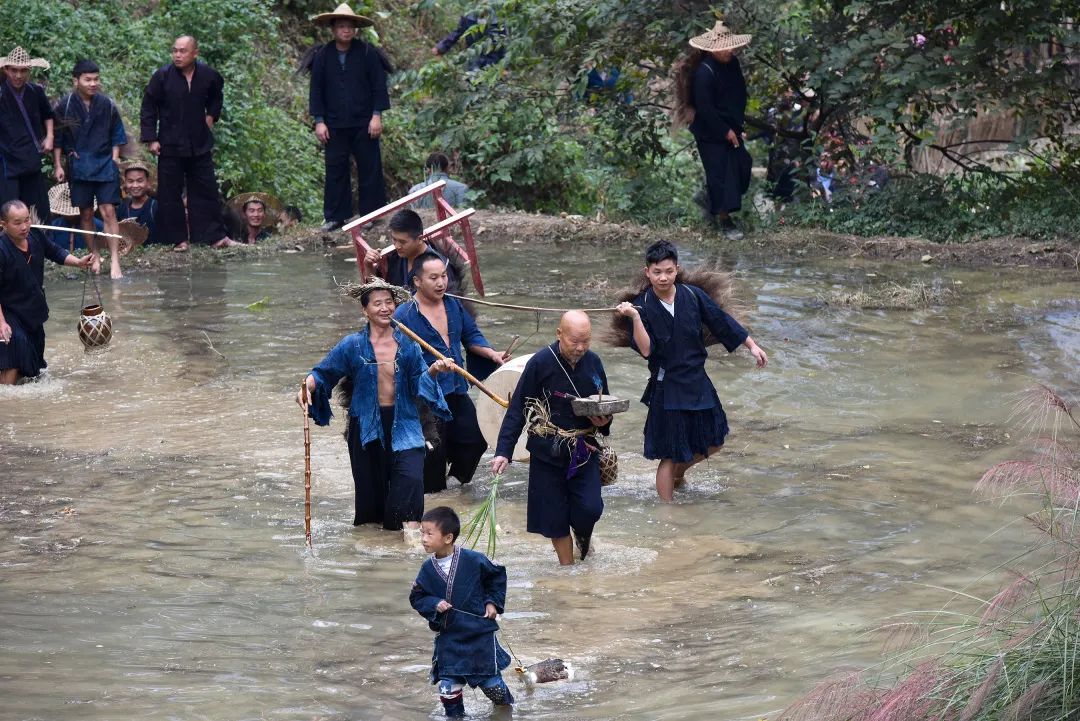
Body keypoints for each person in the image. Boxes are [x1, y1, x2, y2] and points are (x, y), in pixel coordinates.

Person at [296, 277, 455, 538]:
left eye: (389, 302)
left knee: (411, 480)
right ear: (365, 310)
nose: (385, 308)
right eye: (377, 304)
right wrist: (306, 387)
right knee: (371, 496)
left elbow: (419, 384)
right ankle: (377, 552)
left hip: (404, 421)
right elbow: (324, 372)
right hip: (367, 425)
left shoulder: (409, 345)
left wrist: (435, 370)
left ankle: (410, 543)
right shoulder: (352, 345)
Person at [616, 240, 767, 502]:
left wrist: (751, 345)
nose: (663, 277)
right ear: (647, 272)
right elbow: (646, 350)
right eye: (657, 272)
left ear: (677, 269)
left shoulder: (693, 295)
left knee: (716, 440)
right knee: (670, 453)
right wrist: (636, 318)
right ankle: (667, 513)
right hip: (667, 384)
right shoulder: (640, 306)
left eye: (668, 271)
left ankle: (678, 474)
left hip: (697, 379)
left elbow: (721, 322)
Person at [491, 311, 612, 565]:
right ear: (559, 334)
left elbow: (605, 404)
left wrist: (604, 421)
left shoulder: (594, 362)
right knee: (555, 518)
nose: (580, 348)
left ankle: (582, 536)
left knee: (589, 509)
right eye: (574, 342)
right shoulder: (540, 362)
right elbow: (518, 409)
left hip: (584, 449)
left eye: (585, 342)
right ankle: (568, 572)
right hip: (547, 450)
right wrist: (504, 451)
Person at [394, 252, 507, 493]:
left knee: (477, 438)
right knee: (433, 453)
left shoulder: (453, 304)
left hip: (455, 387)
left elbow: (471, 335)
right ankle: (434, 500)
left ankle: (456, 481)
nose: (441, 283)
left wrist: (492, 354)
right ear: (417, 281)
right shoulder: (403, 316)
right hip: (426, 396)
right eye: (433, 278)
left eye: (444, 276)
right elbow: (397, 361)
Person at [410, 506, 514, 717]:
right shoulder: (427, 569)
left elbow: (496, 577)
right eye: (422, 532)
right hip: (450, 637)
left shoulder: (474, 560)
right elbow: (417, 597)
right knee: (448, 690)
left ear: (448, 537)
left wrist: (492, 603)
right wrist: (434, 604)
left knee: (493, 688)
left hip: (479, 636)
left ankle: (507, 711)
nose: (423, 538)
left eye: (429, 533)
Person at [139, 35, 237, 251]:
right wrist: (151, 138)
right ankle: (178, 240)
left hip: (199, 143)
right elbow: (148, 107)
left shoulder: (208, 75)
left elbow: (216, 96)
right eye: (175, 50)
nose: (177, 55)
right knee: (169, 193)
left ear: (195, 53)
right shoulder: (162, 76)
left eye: (183, 51)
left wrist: (211, 116)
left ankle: (213, 237)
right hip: (169, 143)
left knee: (206, 190)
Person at [309, 3, 390, 232]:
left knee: (369, 167)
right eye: (341, 26)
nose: (346, 30)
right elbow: (316, 90)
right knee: (335, 169)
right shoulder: (323, 56)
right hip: (334, 124)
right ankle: (336, 216)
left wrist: (376, 116)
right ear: (333, 29)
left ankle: (371, 215)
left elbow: (378, 86)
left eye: (350, 26)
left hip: (364, 122)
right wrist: (319, 120)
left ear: (355, 29)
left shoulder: (367, 53)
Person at [673, 22, 753, 240]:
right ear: (712, 49)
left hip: (731, 127)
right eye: (724, 48)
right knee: (720, 176)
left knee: (743, 166)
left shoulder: (733, 63)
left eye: (730, 47)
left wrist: (736, 126)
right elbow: (706, 108)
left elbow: (738, 95)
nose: (729, 51)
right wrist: (724, 131)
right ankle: (726, 223)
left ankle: (709, 200)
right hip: (709, 131)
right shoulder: (704, 73)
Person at [0, 200, 94, 384]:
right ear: (3, 225)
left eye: (27, 220)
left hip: (32, 311)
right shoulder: (2, 250)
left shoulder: (35, 236)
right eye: (17, 223)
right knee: (13, 351)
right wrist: (1, 323)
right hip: (8, 312)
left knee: (33, 370)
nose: (24, 226)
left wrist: (78, 262)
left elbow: (56, 252)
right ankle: (7, 403)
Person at [54, 60, 127, 279]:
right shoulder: (65, 105)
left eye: (96, 79)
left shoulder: (107, 104)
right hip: (79, 163)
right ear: (76, 80)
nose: (93, 83)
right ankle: (94, 255)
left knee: (108, 211)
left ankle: (115, 261)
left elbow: (117, 133)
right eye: (88, 79)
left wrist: (114, 159)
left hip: (104, 162)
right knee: (85, 212)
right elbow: (58, 139)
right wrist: (58, 165)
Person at [0, 47, 54, 223]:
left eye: (23, 71)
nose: (18, 75)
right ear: (6, 70)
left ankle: (40, 248)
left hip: (31, 157)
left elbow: (48, 115)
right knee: (9, 211)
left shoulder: (35, 91)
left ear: (29, 71)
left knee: (38, 210)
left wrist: (50, 136)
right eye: (14, 70)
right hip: (7, 161)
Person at [367, 209, 460, 292]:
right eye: (394, 239)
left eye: (402, 242)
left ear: (420, 239)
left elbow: (448, 305)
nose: (397, 246)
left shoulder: (440, 265)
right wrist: (369, 266)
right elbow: (377, 295)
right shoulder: (395, 256)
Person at [432, 8, 506, 71]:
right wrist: (441, 48)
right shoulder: (470, 15)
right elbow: (458, 31)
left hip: (492, 60)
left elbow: (501, 40)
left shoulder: (495, 16)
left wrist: (504, 65)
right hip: (473, 58)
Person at [117, 160, 161, 246]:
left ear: (148, 182)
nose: (135, 185)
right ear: (125, 183)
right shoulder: (122, 208)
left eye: (140, 181)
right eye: (130, 181)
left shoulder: (155, 207)